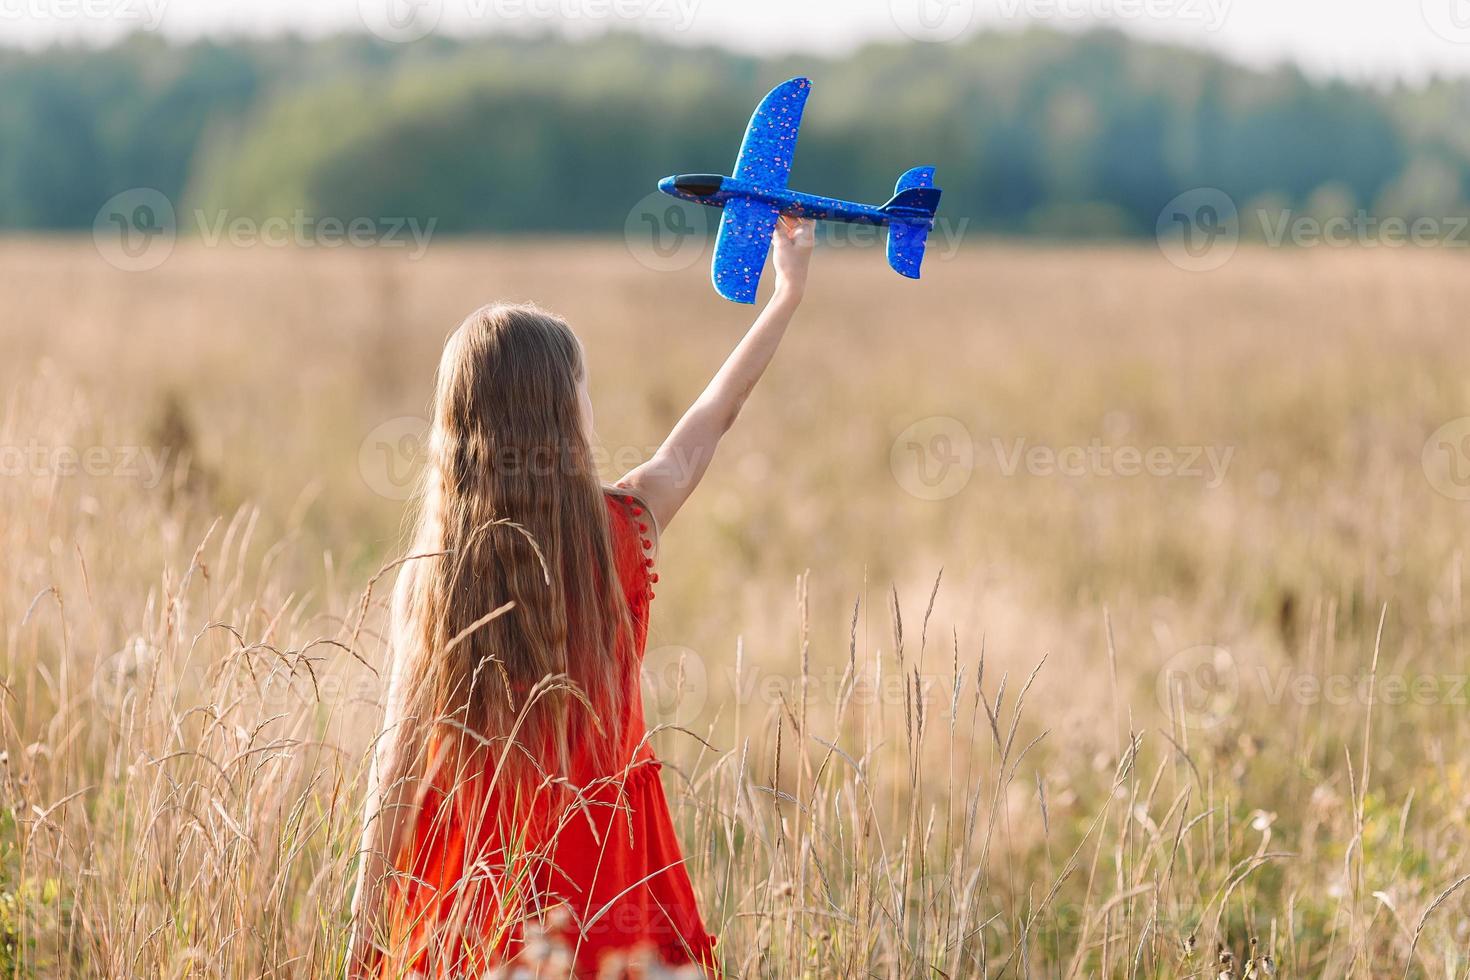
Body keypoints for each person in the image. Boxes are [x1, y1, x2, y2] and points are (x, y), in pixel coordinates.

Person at [348, 217, 817, 978]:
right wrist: (785, 297)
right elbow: (710, 425)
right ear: (563, 418)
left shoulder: (435, 572)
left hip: (478, 900)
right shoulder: (622, 532)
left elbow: (395, 770)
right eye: (581, 388)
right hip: (614, 885)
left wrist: (361, 937)